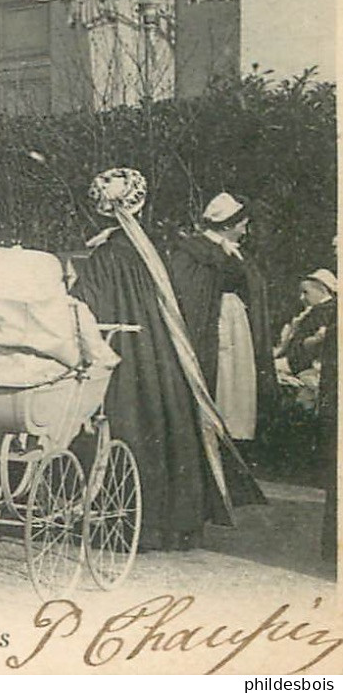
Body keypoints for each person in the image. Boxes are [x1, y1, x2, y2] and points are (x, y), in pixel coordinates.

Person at [73, 167, 264, 551]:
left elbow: (86, 308)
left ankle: (127, 520)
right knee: (163, 423)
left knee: (121, 421)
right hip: (158, 353)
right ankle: (170, 524)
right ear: (139, 208)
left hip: (119, 350)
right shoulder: (150, 254)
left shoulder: (104, 257)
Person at [168, 193, 274, 443]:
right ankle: (213, 431)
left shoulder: (232, 251)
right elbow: (190, 292)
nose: (245, 231)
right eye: (242, 224)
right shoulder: (194, 251)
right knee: (221, 373)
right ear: (227, 225)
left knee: (236, 375)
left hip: (235, 322)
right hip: (217, 324)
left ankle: (233, 433)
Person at [274, 269, 337, 408]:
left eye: (306, 292)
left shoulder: (325, 311)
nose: (302, 298)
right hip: (296, 361)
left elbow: (312, 347)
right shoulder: (317, 311)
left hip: (303, 365)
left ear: (322, 290)